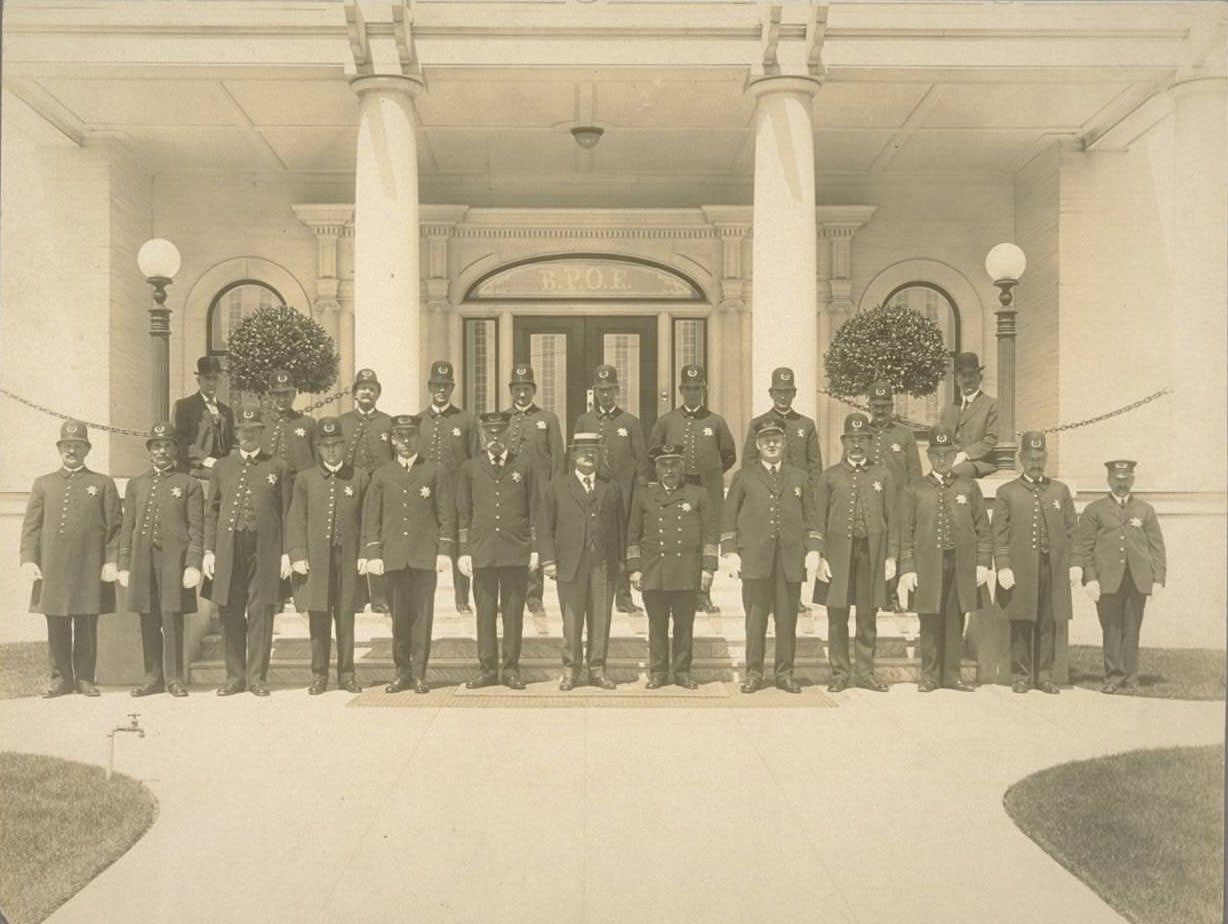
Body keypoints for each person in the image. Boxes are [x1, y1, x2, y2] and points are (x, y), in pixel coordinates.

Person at [20, 420, 121, 697]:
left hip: (89, 565)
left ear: (87, 449)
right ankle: (61, 678)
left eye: (77, 446)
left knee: (87, 622)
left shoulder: (102, 483)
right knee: (56, 621)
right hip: (53, 566)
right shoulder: (44, 483)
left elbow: (115, 527)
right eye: (67, 446)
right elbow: (32, 526)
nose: (72, 450)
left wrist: (111, 560)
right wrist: (29, 559)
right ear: (59, 448)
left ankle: (86, 678)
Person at [722, 419, 820, 694]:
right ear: (758, 445)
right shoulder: (744, 476)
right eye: (766, 440)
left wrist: (813, 548)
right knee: (755, 620)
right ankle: (753, 672)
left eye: (776, 439)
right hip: (755, 559)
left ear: (784, 442)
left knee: (787, 620)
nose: (772, 444)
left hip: (789, 560)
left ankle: (785, 673)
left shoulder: (799, 476)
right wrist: (730, 552)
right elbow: (729, 516)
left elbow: (811, 516)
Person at [202, 407, 292, 697]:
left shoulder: (277, 467)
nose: (248, 434)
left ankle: (257, 677)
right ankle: (234, 677)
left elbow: (287, 512)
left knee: (261, 610)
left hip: (265, 549)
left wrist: (287, 553)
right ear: (237, 433)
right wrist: (209, 550)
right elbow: (211, 512)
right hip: (229, 548)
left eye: (254, 429)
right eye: (244, 429)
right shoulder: (222, 467)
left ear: (262, 433)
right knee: (229, 610)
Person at [362, 414, 454, 694]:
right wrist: (374, 553)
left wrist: (444, 551)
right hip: (393, 556)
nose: (405, 441)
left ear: (418, 438)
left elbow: (446, 514)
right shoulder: (382, 474)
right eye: (400, 437)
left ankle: (419, 674)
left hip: (424, 556)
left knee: (422, 616)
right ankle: (401, 671)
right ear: (392, 441)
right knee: (399, 617)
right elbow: (371, 518)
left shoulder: (434, 471)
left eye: (410, 436)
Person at [896, 428, 990, 693]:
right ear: (928, 456)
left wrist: (982, 563)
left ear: (954, 455)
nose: (941, 459)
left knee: (956, 617)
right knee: (929, 619)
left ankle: (952, 675)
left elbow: (983, 528)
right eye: (936, 454)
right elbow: (906, 532)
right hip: (928, 566)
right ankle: (929, 676)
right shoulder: (915, 489)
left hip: (960, 564)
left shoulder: (968, 487)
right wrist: (907, 568)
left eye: (947, 454)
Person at [813, 412, 898, 693]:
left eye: (862, 439)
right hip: (838, 554)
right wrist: (821, 556)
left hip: (870, 553)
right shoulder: (830, 477)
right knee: (837, 613)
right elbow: (818, 520)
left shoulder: (883, 475)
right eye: (852, 439)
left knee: (867, 614)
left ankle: (865, 671)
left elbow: (892, 518)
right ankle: (839, 672)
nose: (857, 445)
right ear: (843, 441)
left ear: (870, 441)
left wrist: (890, 557)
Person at [118, 422, 203, 698]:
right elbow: (127, 526)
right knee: (148, 617)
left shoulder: (188, 484)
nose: (161, 451)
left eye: (166, 445)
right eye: (156, 446)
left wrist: (193, 563)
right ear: (149, 451)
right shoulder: (136, 484)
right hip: (143, 560)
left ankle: (175, 678)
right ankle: (152, 677)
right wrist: (124, 564)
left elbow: (196, 527)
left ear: (175, 450)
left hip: (173, 561)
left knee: (172, 617)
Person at [457, 411, 540, 690]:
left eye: (500, 433)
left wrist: (535, 549)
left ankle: (512, 669)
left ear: (508, 435)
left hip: (515, 550)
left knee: (514, 613)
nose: (495, 438)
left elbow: (535, 508)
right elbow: (464, 513)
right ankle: (487, 668)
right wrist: (465, 550)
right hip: (483, 551)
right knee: (485, 612)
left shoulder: (524, 465)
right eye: (489, 433)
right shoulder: (470, 467)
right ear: (483, 436)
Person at [287, 417, 369, 695]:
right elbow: (296, 519)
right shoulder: (306, 479)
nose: (331, 451)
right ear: (319, 448)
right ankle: (319, 673)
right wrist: (297, 554)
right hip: (317, 558)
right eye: (326, 446)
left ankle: (347, 673)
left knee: (346, 615)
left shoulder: (358, 477)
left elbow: (368, 519)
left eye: (336, 445)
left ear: (344, 446)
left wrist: (366, 553)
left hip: (347, 558)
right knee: (319, 615)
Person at [626, 444, 718, 689]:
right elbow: (632, 535)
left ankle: (682, 671)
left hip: (687, 569)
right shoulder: (644, 496)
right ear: (657, 469)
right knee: (656, 624)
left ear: (682, 467)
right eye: (664, 466)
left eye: (674, 465)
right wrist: (635, 568)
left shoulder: (698, 494)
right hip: (654, 570)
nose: (669, 471)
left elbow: (710, 535)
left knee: (684, 624)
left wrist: (708, 569)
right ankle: (657, 671)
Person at [993, 431, 1078, 694]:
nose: (1035, 463)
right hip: (1021, 569)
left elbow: (1072, 530)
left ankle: (1044, 676)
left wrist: (1075, 563)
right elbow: (999, 533)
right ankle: (1020, 675)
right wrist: (1003, 565)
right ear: (1020, 459)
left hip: (1052, 567)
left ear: (1047, 457)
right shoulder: (1007, 492)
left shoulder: (1059, 491)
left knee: (1048, 621)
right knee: (1021, 620)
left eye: (1040, 457)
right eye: (1030, 458)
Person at [1074, 459, 1167, 694]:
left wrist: (1158, 579)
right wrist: (1091, 578)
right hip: (1107, 580)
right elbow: (1085, 547)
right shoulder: (1094, 510)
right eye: (1117, 480)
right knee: (1112, 628)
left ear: (1133, 480)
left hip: (1137, 579)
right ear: (1108, 480)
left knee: (1133, 627)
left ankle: (1132, 677)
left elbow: (1157, 546)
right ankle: (1113, 676)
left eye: (1126, 480)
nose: (1122, 485)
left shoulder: (1145, 510)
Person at [649, 363, 736, 614]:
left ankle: (703, 593)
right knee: (681, 539)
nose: (692, 393)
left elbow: (728, 455)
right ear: (680, 390)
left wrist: (710, 473)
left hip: (708, 490)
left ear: (704, 389)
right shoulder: (667, 422)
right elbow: (653, 454)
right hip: (678, 491)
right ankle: (680, 593)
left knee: (706, 540)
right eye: (688, 388)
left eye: (697, 388)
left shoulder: (715, 422)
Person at [539, 433, 624, 690]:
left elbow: (619, 526)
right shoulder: (557, 486)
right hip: (569, 563)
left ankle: (597, 669)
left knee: (600, 618)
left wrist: (620, 561)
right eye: (584, 450)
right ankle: (570, 669)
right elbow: (545, 527)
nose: (589, 455)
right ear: (573, 455)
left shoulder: (610, 486)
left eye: (594, 451)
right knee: (572, 619)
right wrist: (548, 561)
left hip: (602, 563)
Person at [573, 364, 650, 615]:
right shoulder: (584, 421)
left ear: (617, 390)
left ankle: (623, 596)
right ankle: (593, 593)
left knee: (624, 543)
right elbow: (573, 459)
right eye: (600, 390)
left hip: (624, 494)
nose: (605, 395)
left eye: (609, 390)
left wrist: (638, 496)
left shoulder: (629, 422)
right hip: (594, 494)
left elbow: (641, 463)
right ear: (594, 391)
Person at [418, 360, 480, 616]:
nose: (441, 390)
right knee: (425, 544)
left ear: (452, 387)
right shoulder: (419, 421)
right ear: (429, 388)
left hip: (456, 492)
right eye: (436, 386)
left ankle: (462, 598)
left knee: (458, 545)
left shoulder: (465, 420)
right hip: (426, 493)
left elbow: (475, 458)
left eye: (446, 386)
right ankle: (423, 599)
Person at [503, 364, 564, 618]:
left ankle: (534, 596)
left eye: (526, 389)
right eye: (517, 389)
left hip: (540, 489)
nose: (521, 394)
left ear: (534, 390)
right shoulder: (503, 418)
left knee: (537, 539)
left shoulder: (547, 419)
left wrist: (555, 487)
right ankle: (508, 594)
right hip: (511, 490)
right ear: (511, 391)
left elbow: (557, 457)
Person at [339, 368, 394, 612]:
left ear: (378, 393)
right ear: (354, 393)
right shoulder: (344, 422)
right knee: (353, 537)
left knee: (378, 538)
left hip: (379, 489)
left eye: (372, 389)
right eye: (363, 388)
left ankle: (380, 597)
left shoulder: (387, 422)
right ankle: (357, 595)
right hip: (351, 488)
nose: (367, 392)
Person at [866, 380, 922, 612]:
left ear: (892, 407)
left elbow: (914, 472)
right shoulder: (862, 433)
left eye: (885, 406)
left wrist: (913, 503)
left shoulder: (904, 434)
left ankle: (890, 596)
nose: (880, 411)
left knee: (894, 547)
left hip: (897, 502)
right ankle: (870, 595)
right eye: (876, 406)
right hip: (870, 502)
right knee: (871, 547)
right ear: (869, 406)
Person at [172, 355, 235, 478]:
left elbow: (233, 443)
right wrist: (205, 459)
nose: (211, 383)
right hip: (193, 469)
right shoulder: (184, 406)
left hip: (221, 469)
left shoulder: (226, 411)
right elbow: (179, 442)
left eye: (215, 378)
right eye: (207, 378)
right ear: (198, 380)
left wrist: (229, 463)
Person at [938, 352, 999, 479]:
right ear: (957, 380)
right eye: (963, 376)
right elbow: (941, 439)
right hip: (951, 462)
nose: (967, 380)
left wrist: (965, 454)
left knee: (956, 473)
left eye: (971, 375)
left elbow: (991, 440)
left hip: (980, 462)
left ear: (980, 378)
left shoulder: (991, 405)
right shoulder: (949, 410)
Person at [261, 368, 317, 481]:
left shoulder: (308, 423)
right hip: (268, 483)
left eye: (286, 394)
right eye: (278, 395)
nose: (282, 399)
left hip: (299, 485)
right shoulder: (262, 422)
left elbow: (317, 459)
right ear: (271, 396)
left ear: (294, 395)